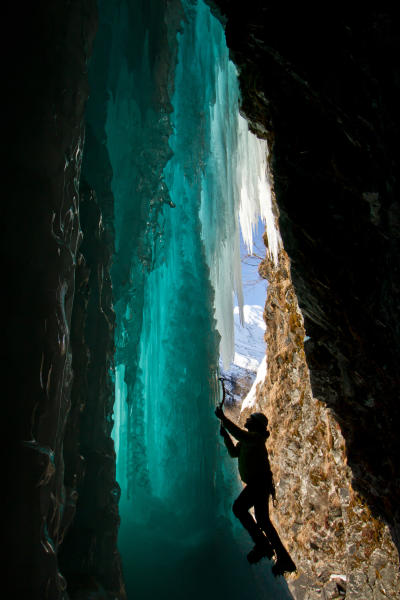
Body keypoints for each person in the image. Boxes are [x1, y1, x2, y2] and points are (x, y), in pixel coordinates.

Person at [215, 396, 296, 576]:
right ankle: (282, 558)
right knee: (262, 520)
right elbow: (234, 453)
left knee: (239, 508)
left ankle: (262, 545)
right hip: (260, 484)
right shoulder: (248, 441)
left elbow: (241, 435)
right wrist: (226, 436)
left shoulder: (256, 438)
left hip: (259, 483)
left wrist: (224, 419)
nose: (247, 421)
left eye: (250, 420)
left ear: (256, 425)